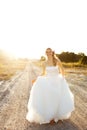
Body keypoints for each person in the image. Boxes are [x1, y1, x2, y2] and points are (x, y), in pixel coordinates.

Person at [26, 48, 75, 124]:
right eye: (47, 52)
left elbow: (62, 70)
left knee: (57, 98)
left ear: (52, 52)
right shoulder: (44, 63)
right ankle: (51, 117)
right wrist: (37, 79)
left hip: (57, 81)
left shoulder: (57, 61)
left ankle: (56, 115)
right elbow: (43, 73)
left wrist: (62, 77)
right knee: (50, 98)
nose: (48, 53)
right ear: (46, 53)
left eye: (50, 51)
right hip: (49, 81)